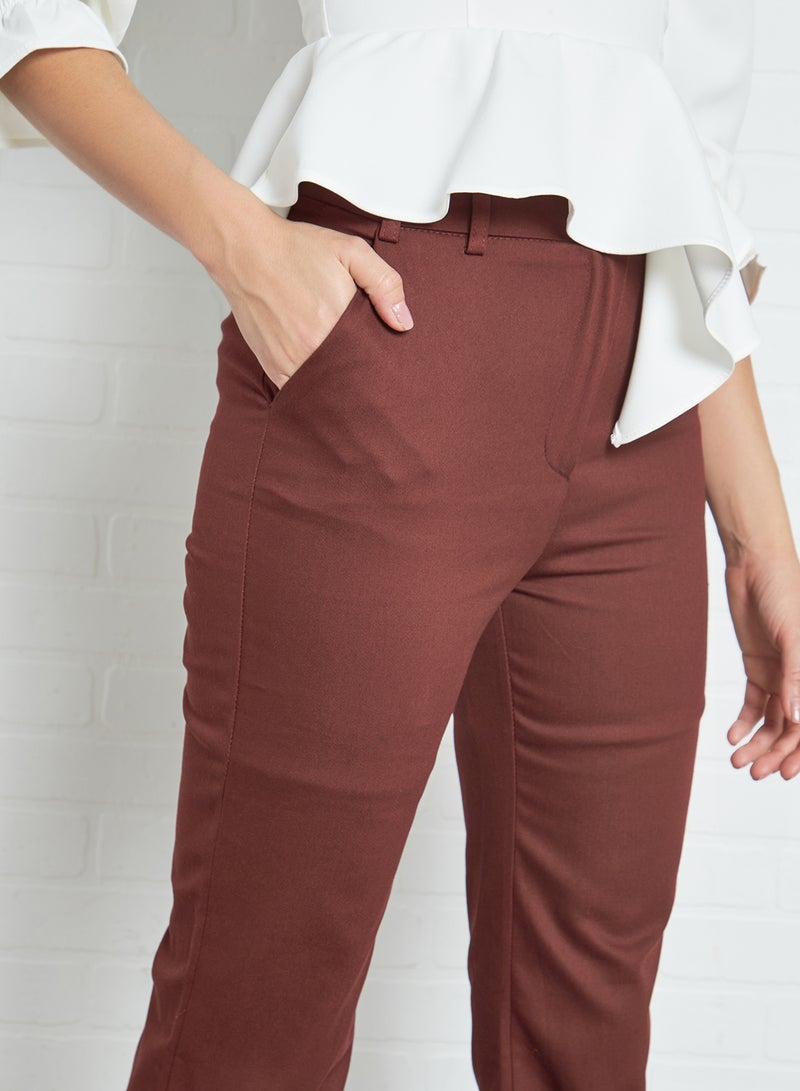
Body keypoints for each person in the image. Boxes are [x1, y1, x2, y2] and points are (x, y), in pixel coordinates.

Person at [1, 2, 797, 1089]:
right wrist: (242, 243)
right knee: (258, 1012)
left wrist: (758, 533)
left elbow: (688, 170)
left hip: (646, 407)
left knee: (588, 1030)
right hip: (386, 340)